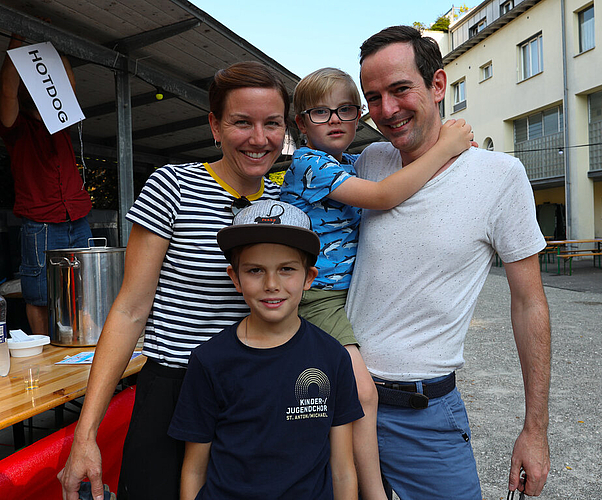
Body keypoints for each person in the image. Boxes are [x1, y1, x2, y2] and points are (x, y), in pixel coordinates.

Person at [58, 61, 289, 500]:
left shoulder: (286, 204)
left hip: (258, 391)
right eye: (242, 122)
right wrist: (85, 435)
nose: (259, 139)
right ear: (215, 126)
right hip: (174, 390)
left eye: (271, 123)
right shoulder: (173, 186)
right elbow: (129, 309)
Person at [345, 26, 551, 499]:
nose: (387, 110)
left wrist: (534, 431)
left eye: (400, 90)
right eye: (373, 98)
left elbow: (529, 304)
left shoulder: (500, 177)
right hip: (344, 403)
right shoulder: (369, 162)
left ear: (438, 85)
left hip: (423, 415)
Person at [280, 67, 473, 499]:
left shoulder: (349, 162)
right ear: (301, 124)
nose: (334, 120)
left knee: (341, 395)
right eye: (319, 112)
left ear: (358, 116)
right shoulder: (310, 164)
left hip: (341, 297)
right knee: (363, 394)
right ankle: (372, 492)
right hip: (317, 298)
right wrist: (447, 147)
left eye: (345, 109)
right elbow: (385, 196)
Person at [169, 200, 364, 499]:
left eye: (286, 269)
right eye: (255, 270)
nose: (272, 284)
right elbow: (195, 468)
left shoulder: (333, 356)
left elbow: (342, 468)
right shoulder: (209, 360)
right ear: (235, 278)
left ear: (309, 277)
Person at [0, 34, 92, 335]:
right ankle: (42, 350)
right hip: (41, 221)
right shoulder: (15, 126)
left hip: (76, 215)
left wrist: (49, 46)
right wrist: (18, 39)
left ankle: (82, 344)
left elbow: (69, 84)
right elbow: (7, 91)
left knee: (85, 287)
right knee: (40, 293)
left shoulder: (60, 119)